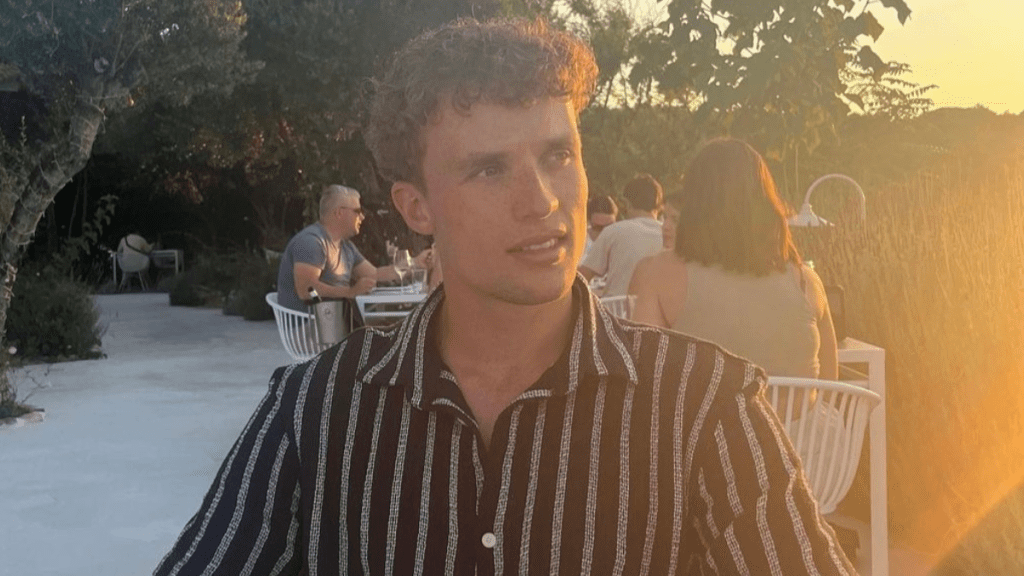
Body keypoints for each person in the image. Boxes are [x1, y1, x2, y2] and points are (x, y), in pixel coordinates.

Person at [154, 18, 855, 575]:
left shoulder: (705, 405)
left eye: (558, 155)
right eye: (490, 169)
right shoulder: (317, 409)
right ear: (417, 206)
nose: (542, 201)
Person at [630, 137, 838, 381]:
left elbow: (644, 376)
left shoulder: (662, 273)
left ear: (694, 203)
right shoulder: (806, 282)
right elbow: (830, 383)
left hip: (703, 409)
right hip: (798, 409)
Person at [275, 184, 428, 311]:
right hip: (310, 326)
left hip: (335, 321)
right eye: (357, 211)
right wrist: (350, 292)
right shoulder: (311, 242)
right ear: (339, 213)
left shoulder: (346, 247)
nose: (362, 217)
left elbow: (375, 274)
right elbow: (307, 290)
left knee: (389, 327)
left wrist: (416, 263)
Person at [578, 173, 664, 296]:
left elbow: (582, 277)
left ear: (627, 203)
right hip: (658, 306)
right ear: (659, 206)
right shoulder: (671, 236)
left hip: (615, 306)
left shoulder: (614, 231)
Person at [581, 190, 617, 260]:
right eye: (598, 228)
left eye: (610, 227)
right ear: (588, 223)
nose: (605, 232)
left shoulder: (622, 243)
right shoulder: (579, 249)